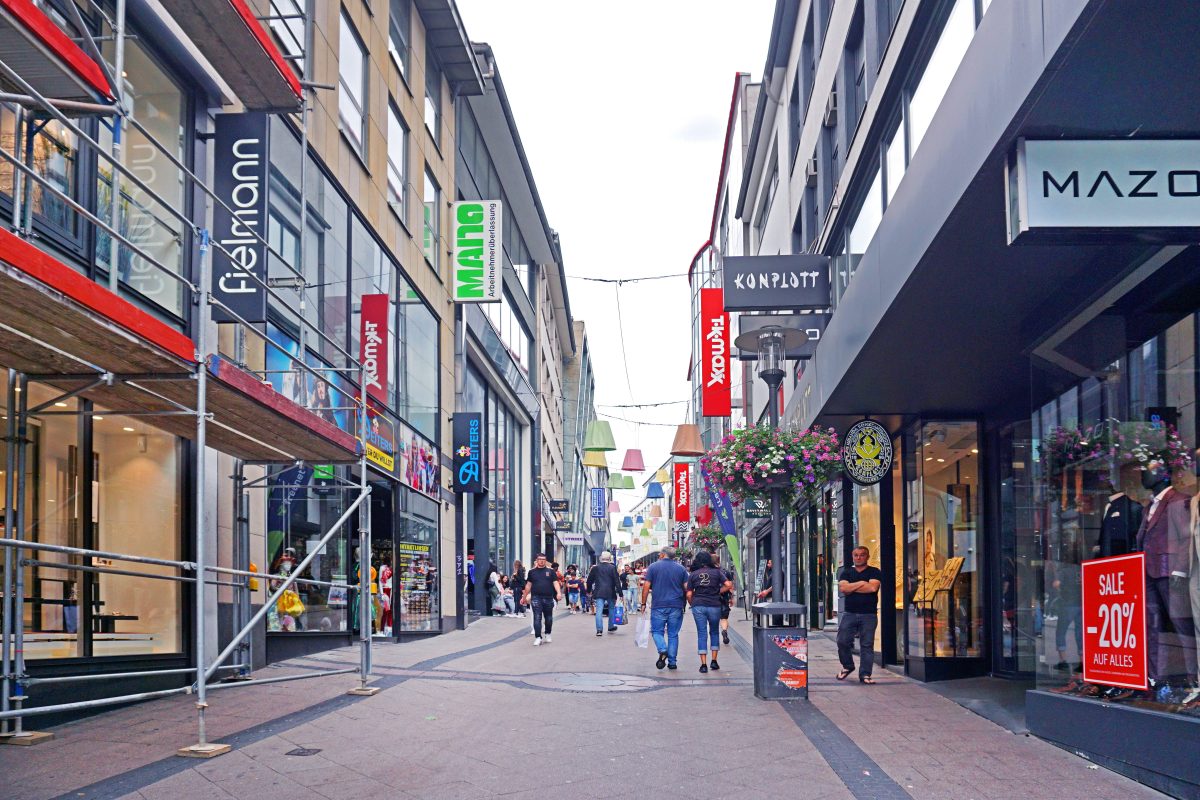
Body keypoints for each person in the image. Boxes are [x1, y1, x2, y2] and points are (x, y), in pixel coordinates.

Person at [836, 546, 884, 684]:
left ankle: (865, 674)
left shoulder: (874, 571)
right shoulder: (846, 572)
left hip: (869, 614)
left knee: (866, 645)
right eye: (856, 555)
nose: (858, 557)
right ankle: (848, 666)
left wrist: (853, 587)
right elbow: (844, 589)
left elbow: (872, 587)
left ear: (867, 556)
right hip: (850, 613)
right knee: (842, 641)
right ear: (852, 556)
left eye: (862, 555)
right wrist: (862, 583)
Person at [640, 546, 688, 670]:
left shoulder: (653, 567)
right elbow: (687, 588)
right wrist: (689, 602)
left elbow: (646, 586)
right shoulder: (681, 569)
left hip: (658, 605)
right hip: (676, 605)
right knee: (673, 634)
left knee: (656, 631)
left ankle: (662, 649)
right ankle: (672, 662)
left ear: (662, 554)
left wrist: (643, 603)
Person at [687, 551, 734, 673]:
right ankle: (714, 661)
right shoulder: (717, 572)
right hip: (714, 605)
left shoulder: (693, 574)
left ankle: (703, 665)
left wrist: (692, 603)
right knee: (714, 632)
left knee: (701, 633)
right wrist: (718, 591)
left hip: (699, 605)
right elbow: (728, 585)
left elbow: (689, 593)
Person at [520, 553, 561, 646]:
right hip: (536, 598)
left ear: (545, 561)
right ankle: (538, 637)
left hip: (548, 598)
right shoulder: (532, 572)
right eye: (540, 559)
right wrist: (524, 597)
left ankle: (547, 633)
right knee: (537, 617)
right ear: (537, 560)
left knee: (548, 618)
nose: (541, 561)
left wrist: (558, 593)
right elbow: (528, 585)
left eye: (543, 559)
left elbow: (555, 583)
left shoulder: (551, 572)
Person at [586, 552, 622, 637]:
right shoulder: (613, 568)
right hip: (610, 591)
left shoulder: (595, 568)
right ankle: (610, 626)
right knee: (611, 609)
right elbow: (617, 581)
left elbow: (589, 580)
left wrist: (589, 590)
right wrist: (620, 593)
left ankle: (599, 630)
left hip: (599, 591)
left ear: (601, 558)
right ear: (609, 558)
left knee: (599, 610)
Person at [713, 553, 735, 645]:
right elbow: (730, 586)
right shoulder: (726, 572)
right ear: (719, 560)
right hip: (724, 598)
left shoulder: (710, 572)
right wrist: (731, 598)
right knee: (724, 618)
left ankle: (715, 637)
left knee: (713, 619)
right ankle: (724, 630)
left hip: (712, 599)